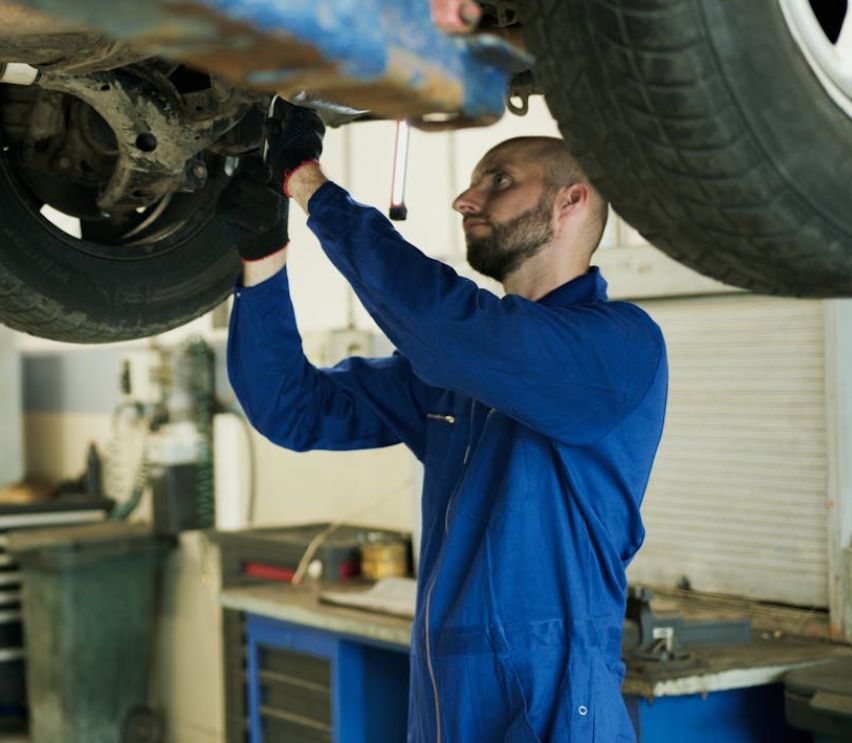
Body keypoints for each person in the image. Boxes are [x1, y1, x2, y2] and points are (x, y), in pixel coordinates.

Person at [224, 102, 669, 741]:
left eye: (500, 181)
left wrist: (311, 185)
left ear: (572, 202)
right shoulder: (455, 370)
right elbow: (292, 409)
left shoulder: (618, 348)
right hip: (444, 702)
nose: (465, 198)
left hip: (548, 706)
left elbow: (451, 328)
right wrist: (263, 257)